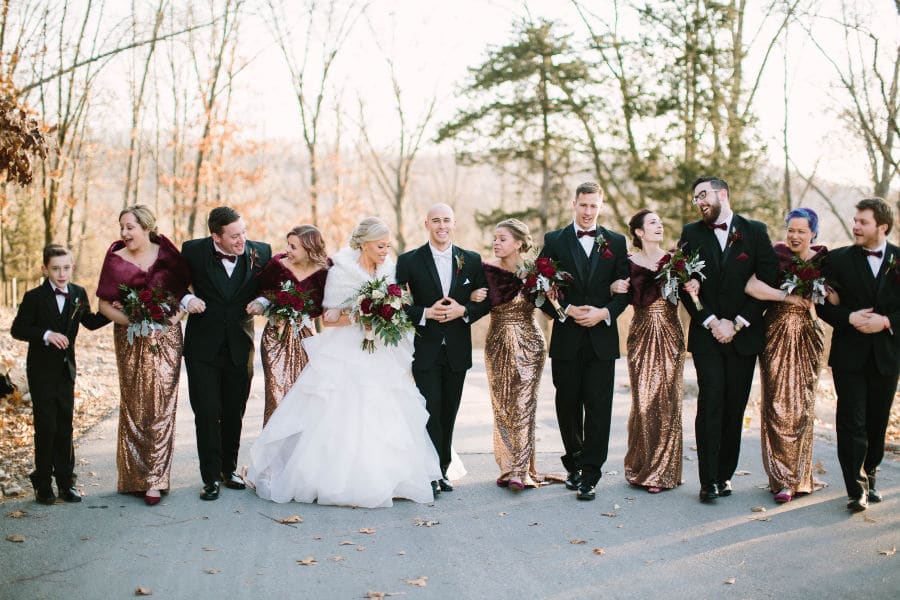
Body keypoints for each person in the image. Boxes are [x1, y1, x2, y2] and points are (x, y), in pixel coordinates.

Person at [247, 217, 441, 508]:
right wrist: (363, 316)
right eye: (380, 245)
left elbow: (399, 307)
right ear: (364, 244)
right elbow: (329, 319)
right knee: (339, 409)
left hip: (379, 351)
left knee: (386, 410)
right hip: (347, 347)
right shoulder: (341, 270)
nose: (385, 250)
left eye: (388, 245)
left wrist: (387, 314)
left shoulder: (390, 269)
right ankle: (334, 479)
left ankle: (395, 477)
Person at [677, 176, 778, 503]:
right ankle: (707, 480)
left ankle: (725, 475)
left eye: (703, 195)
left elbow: (768, 282)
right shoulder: (691, 234)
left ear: (723, 193)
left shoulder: (755, 231)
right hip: (707, 336)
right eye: (696, 198)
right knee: (710, 402)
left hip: (743, 334)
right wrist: (708, 319)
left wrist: (736, 323)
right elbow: (683, 283)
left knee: (734, 406)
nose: (700, 202)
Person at [538, 182, 630, 501]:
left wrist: (604, 312)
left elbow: (625, 291)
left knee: (599, 407)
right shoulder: (554, 241)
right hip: (567, 338)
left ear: (600, 206)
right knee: (567, 404)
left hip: (602, 339)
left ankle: (591, 473)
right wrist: (565, 310)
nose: (588, 211)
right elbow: (538, 290)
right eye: (583, 205)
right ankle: (574, 462)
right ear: (573, 204)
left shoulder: (616, 242)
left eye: (594, 206)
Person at [96, 206, 191, 506]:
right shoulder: (115, 259)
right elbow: (104, 306)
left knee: (161, 403)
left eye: (130, 228)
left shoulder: (167, 254)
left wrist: (165, 324)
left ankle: (155, 478)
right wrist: (136, 322)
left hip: (166, 338)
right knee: (135, 403)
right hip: (130, 338)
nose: (124, 233)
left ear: (146, 228)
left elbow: (185, 296)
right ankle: (133, 477)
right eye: (121, 227)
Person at [395, 203, 489, 495]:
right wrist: (425, 313)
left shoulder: (471, 260)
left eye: (446, 220)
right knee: (430, 409)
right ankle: (431, 471)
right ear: (426, 224)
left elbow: (486, 301)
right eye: (436, 221)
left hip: (458, 350)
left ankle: (444, 468)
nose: (441, 226)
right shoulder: (409, 260)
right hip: (425, 348)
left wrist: (464, 309)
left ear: (454, 223)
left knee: (449, 411)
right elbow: (396, 304)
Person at [181, 206, 272, 501]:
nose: (241, 240)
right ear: (215, 237)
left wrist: (262, 302)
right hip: (202, 348)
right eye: (234, 236)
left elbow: (274, 288)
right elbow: (169, 282)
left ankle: (228, 470)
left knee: (235, 410)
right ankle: (210, 478)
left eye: (243, 232)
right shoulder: (192, 251)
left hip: (239, 345)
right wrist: (187, 298)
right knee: (206, 413)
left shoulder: (262, 252)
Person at [743, 208, 833, 504]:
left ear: (813, 234)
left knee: (803, 404)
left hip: (808, 335)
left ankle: (800, 474)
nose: (794, 236)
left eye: (801, 231)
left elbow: (835, 298)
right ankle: (781, 478)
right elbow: (752, 286)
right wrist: (787, 296)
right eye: (791, 230)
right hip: (776, 332)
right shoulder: (775, 255)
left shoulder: (824, 260)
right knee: (777, 404)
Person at [818, 198, 900, 512]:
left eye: (863, 222)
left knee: (877, 421)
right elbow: (822, 303)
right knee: (851, 421)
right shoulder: (837, 260)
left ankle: (872, 473)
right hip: (849, 356)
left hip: (887, 356)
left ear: (883, 227)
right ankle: (856, 487)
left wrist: (887, 321)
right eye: (854, 220)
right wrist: (848, 318)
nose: (855, 226)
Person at [11, 244, 109, 505]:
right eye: (55, 268)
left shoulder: (78, 293)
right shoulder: (34, 297)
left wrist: (113, 311)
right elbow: (18, 329)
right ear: (45, 269)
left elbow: (89, 321)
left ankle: (67, 482)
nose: (61, 273)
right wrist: (46, 334)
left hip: (66, 370)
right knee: (46, 426)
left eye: (66, 267)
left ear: (72, 267)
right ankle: (43, 483)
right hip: (41, 372)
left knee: (65, 425)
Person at [611, 210, 698, 494]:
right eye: (652, 223)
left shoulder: (674, 260)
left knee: (668, 399)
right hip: (641, 331)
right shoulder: (626, 263)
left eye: (661, 221)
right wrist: (613, 287)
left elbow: (689, 298)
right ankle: (642, 464)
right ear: (638, 232)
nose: (659, 225)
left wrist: (694, 286)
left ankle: (665, 470)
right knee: (644, 397)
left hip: (671, 332)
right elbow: (618, 296)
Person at [469, 219, 552, 491]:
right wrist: (472, 297)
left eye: (502, 238)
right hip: (497, 342)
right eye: (494, 238)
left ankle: (520, 470)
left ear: (518, 243)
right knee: (502, 404)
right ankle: (507, 466)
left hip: (529, 342)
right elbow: (475, 307)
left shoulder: (533, 273)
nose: (496, 243)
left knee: (524, 404)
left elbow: (551, 309)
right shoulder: (486, 273)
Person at [247, 225, 328, 426]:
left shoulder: (325, 270)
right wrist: (262, 303)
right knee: (277, 394)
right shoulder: (277, 264)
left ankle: (301, 452)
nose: (287, 250)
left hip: (307, 337)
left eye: (293, 247)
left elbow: (327, 304)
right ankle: (275, 452)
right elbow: (262, 291)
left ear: (309, 249)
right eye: (288, 245)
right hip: (277, 336)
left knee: (305, 395)